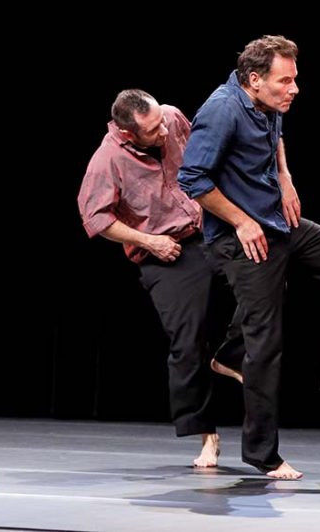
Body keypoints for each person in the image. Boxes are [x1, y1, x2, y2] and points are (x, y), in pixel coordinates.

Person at [177, 35, 320, 480]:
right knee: (265, 340)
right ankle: (262, 454)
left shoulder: (267, 104)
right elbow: (192, 177)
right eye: (285, 81)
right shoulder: (220, 111)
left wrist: (285, 177)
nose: (294, 89)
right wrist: (241, 221)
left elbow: (276, 137)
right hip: (242, 238)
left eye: (294, 79)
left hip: (275, 221)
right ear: (255, 80)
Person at [77, 89, 242, 469]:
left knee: (265, 277)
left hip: (209, 229)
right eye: (153, 131)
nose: (164, 131)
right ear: (128, 133)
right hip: (166, 251)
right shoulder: (107, 160)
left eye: (162, 121)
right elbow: (96, 219)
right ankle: (206, 435)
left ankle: (232, 355)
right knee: (187, 343)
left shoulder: (170, 117)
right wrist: (147, 240)